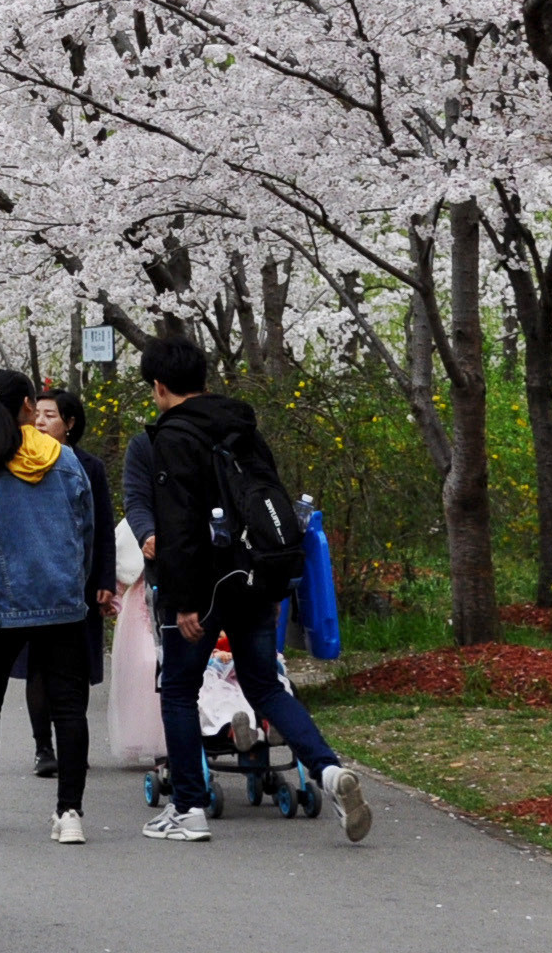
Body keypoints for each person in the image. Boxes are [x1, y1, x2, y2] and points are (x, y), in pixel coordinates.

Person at [135, 337, 371, 844]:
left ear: (159, 386)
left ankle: (190, 808)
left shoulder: (173, 437)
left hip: (207, 588)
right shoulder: (242, 428)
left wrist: (185, 601)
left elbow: (180, 529)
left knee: (177, 689)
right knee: (265, 685)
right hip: (259, 577)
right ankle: (329, 773)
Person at [0, 370, 98, 843]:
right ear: (29, 406)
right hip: (62, 605)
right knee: (69, 708)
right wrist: (75, 585)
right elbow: (85, 533)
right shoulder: (67, 461)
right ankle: (70, 814)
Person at [29, 388, 117, 778]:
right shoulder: (25, 462)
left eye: (50, 415)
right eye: (37, 415)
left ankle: (72, 743)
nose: (40, 422)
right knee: (38, 665)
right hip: (35, 578)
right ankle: (43, 747)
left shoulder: (89, 466)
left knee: (76, 664)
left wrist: (104, 577)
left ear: (70, 423)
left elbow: (102, 527)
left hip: (79, 578)